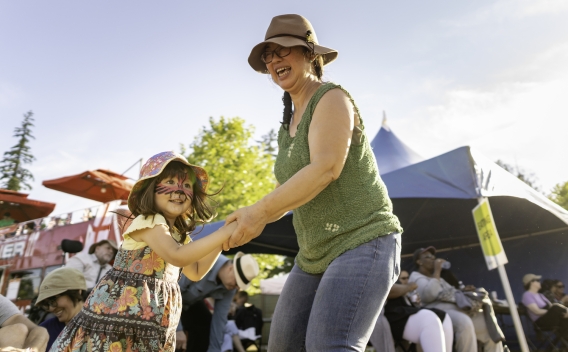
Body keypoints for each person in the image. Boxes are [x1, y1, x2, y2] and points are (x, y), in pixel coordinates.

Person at [225, 14, 403, 351]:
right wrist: (244, 219)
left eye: (284, 50)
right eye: (269, 54)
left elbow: (325, 169)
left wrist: (260, 212)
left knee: (329, 344)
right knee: (282, 346)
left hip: (362, 239)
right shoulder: (286, 125)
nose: (275, 59)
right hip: (312, 254)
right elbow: (289, 194)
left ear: (310, 55)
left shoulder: (332, 98)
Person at [50, 151, 238, 352]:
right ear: (151, 189)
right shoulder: (149, 222)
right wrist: (224, 231)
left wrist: (223, 241)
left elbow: (196, 271)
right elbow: (177, 255)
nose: (179, 191)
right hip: (120, 319)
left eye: (186, 185)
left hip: (152, 324)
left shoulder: (179, 236)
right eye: (170, 182)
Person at [409, 246, 504, 352]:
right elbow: (429, 295)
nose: (432, 259)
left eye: (433, 256)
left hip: (456, 310)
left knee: (487, 324)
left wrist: (463, 291)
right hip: (435, 313)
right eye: (427, 257)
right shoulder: (415, 277)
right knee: (464, 321)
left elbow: (453, 291)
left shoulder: (437, 278)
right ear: (419, 262)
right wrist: (437, 271)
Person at [178, 253, 259, 352]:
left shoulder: (230, 287)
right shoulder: (203, 259)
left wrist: (214, 349)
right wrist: (177, 329)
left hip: (189, 303)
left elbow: (219, 319)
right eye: (238, 283)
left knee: (205, 323)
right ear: (230, 269)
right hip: (165, 299)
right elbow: (171, 293)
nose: (238, 288)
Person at [383, 278, 453, 352]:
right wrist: (408, 287)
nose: (406, 280)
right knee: (429, 318)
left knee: (443, 316)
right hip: (386, 313)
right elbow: (384, 290)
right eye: (403, 278)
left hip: (404, 308)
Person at [35, 268, 87, 351]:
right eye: (47, 304)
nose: (51, 308)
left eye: (54, 300)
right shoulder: (44, 332)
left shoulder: (106, 326)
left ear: (77, 291)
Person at [521, 273, 568, 339]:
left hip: (551, 318)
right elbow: (536, 311)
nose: (540, 282)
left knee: (565, 320)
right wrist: (552, 312)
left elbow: (551, 306)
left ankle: (565, 344)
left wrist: (554, 312)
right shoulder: (527, 295)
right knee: (556, 307)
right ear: (531, 283)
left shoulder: (540, 295)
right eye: (537, 280)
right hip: (541, 322)